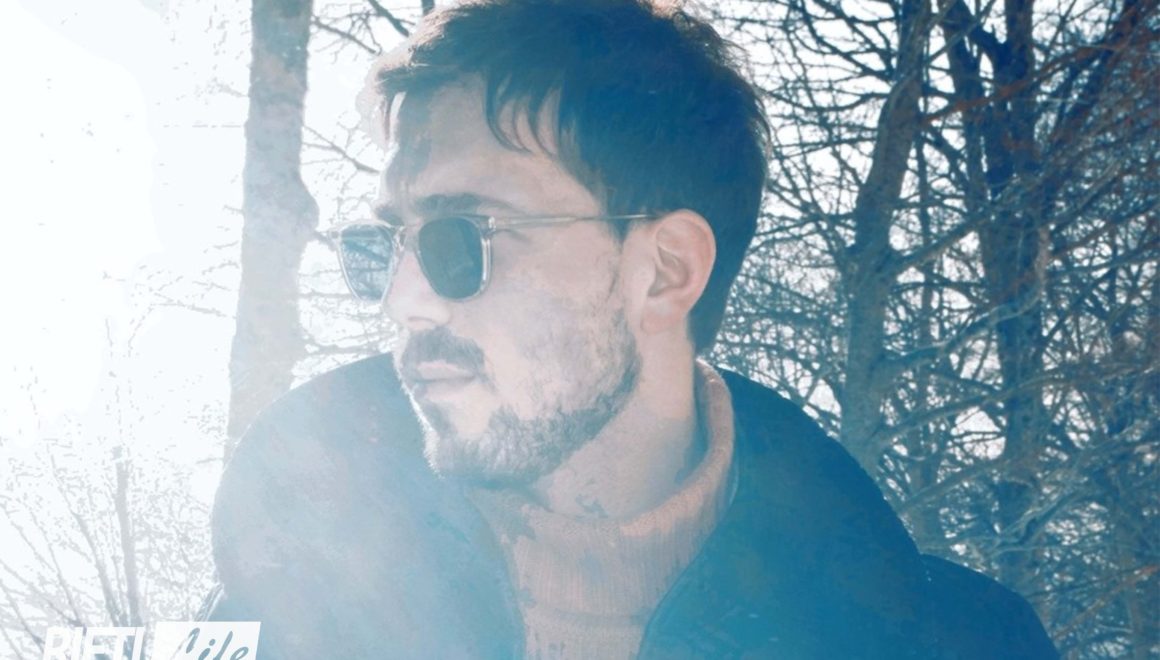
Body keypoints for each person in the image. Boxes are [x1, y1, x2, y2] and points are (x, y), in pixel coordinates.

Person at [204, 0, 1058, 657]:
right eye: (384, 247)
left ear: (666, 271)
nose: (405, 301)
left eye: (461, 238)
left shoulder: (956, 644)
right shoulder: (276, 620)